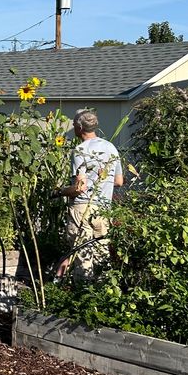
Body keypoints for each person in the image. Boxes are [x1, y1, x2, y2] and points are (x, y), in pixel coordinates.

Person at [59, 109, 123, 278]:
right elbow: (118, 181)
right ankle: (103, 296)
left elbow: (80, 187)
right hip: (103, 208)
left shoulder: (80, 150)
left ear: (79, 128)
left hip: (83, 208)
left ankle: (83, 296)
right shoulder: (111, 147)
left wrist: (61, 191)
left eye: (73, 125)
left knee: (83, 256)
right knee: (102, 255)